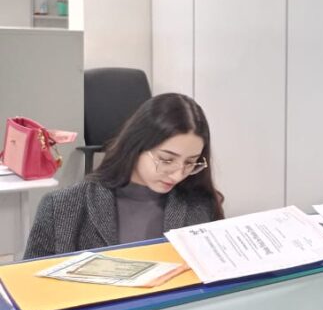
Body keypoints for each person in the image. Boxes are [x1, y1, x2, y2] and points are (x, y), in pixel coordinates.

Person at [24, 93, 224, 259]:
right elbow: (28, 289)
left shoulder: (201, 206)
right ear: (137, 145)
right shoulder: (61, 207)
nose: (179, 174)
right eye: (166, 160)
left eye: (190, 162)